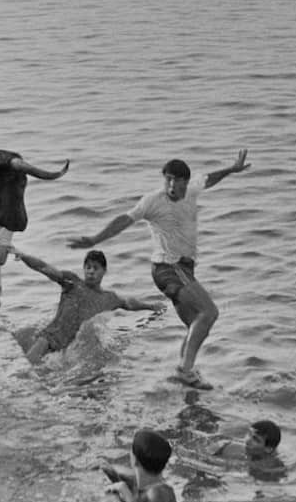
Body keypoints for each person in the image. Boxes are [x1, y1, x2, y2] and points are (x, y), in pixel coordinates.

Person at [71, 151, 251, 389]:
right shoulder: (153, 201)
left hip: (184, 269)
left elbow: (210, 178)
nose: (172, 185)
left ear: (186, 182)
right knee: (209, 313)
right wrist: (95, 239)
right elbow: (124, 219)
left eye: (177, 180)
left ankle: (184, 376)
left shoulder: (193, 189)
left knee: (196, 325)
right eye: (168, 179)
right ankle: (185, 372)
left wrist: (231, 169)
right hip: (168, 268)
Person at [15, 248, 161, 363]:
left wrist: (151, 307)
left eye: (95, 268)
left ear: (104, 271)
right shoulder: (72, 283)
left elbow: (128, 303)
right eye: (88, 267)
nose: (91, 271)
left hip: (66, 351)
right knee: (26, 371)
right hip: (48, 339)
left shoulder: (108, 298)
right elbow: (45, 268)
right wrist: (23, 256)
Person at [101, 429, 178, 502]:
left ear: (135, 460)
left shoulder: (158, 494)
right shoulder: (150, 487)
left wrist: (127, 496)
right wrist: (106, 468)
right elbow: (123, 473)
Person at [212, 420, 282, 461]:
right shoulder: (230, 448)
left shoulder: (273, 465)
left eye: (256, 439)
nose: (248, 441)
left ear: (268, 449)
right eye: (250, 435)